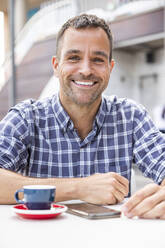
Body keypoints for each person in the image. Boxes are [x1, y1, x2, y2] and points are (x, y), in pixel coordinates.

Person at [0, 14, 165, 219]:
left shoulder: (131, 117)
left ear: (110, 68)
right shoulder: (25, 119)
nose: (86, 70)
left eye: (97, 59)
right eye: (73, 58)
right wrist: (79, 188)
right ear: (56, 66)